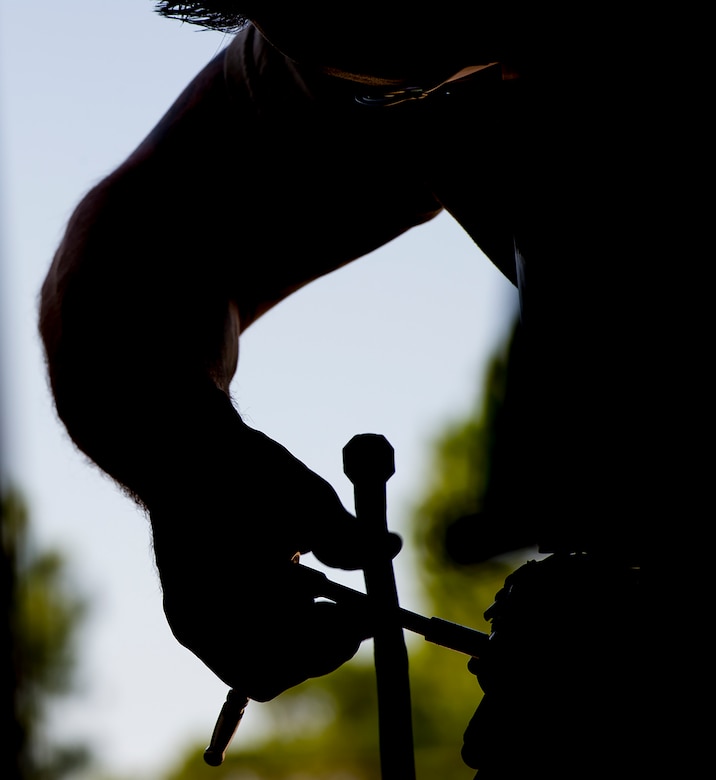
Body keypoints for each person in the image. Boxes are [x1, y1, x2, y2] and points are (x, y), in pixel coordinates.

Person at [39, 4, 642, 775]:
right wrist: (184, 454)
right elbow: (140, 238)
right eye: (411, 92)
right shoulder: (372, 47)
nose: (486, 116)